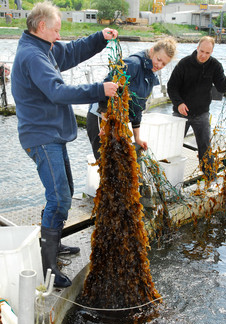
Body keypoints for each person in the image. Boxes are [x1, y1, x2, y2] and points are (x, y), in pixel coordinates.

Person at [11, 1, 118, 288]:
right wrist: (99, 89)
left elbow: (71, 51)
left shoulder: (44, 47)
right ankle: (48, 268)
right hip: (41, 136)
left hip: (52, 133)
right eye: (56, 30)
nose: (59, 36)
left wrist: (99, 38)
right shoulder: (32, 56)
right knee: (58, 198)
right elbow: (57, 92)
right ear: (41, 26)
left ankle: (53, 245)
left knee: (64, 192)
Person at [86, 37, 177, 160]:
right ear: (151, 52)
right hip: (100, 115)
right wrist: (104, 122)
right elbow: (106, 86)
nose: (159, 65)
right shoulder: (133, 64)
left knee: (120, 166)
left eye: (164, 64)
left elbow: (137, 108)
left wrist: (137, 138)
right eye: (158, 59)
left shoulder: (150, 74)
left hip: (118, 121)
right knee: (107, 166)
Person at [167, 36, 226, 183]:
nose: (204, 55)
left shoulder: (215, 65)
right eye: (202, 51)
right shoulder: (184, 63)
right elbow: (171, 87)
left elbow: (221, 88)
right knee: (173, 146)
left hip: (201, 113)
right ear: (197, 48)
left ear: (211, 52)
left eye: (207, 53)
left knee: (205, 147)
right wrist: (179, 103)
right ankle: (168, 177)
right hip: (181, 112)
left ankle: (210, 178)